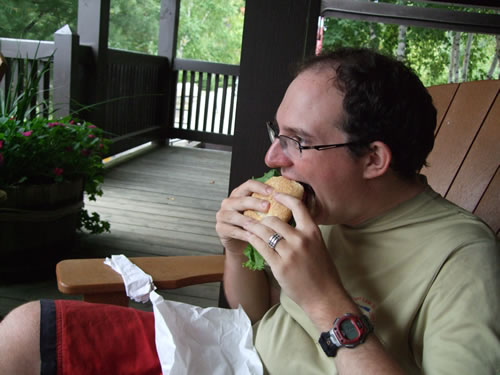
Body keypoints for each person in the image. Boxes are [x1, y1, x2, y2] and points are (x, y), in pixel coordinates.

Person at [0, 47, 498, 374]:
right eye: (276, 133)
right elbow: (252, 321)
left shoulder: (462, 260)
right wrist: (238, 252)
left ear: (373, 159)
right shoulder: (326, 209)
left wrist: (325, 300)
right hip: (234, 359)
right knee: (22, 333)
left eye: (297, 142)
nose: (272, 159)